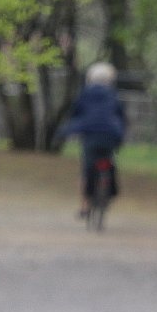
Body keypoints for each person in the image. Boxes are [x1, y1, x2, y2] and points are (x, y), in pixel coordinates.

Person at [61, 61, 126, 218]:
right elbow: (121, 117)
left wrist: (72, 129)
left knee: (86, 170)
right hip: (110, 136)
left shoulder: (84, 94)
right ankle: (108, 189)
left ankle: (84, 206)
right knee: (108, 159)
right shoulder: (114, 95)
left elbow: (75, 113)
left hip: (90, 136)